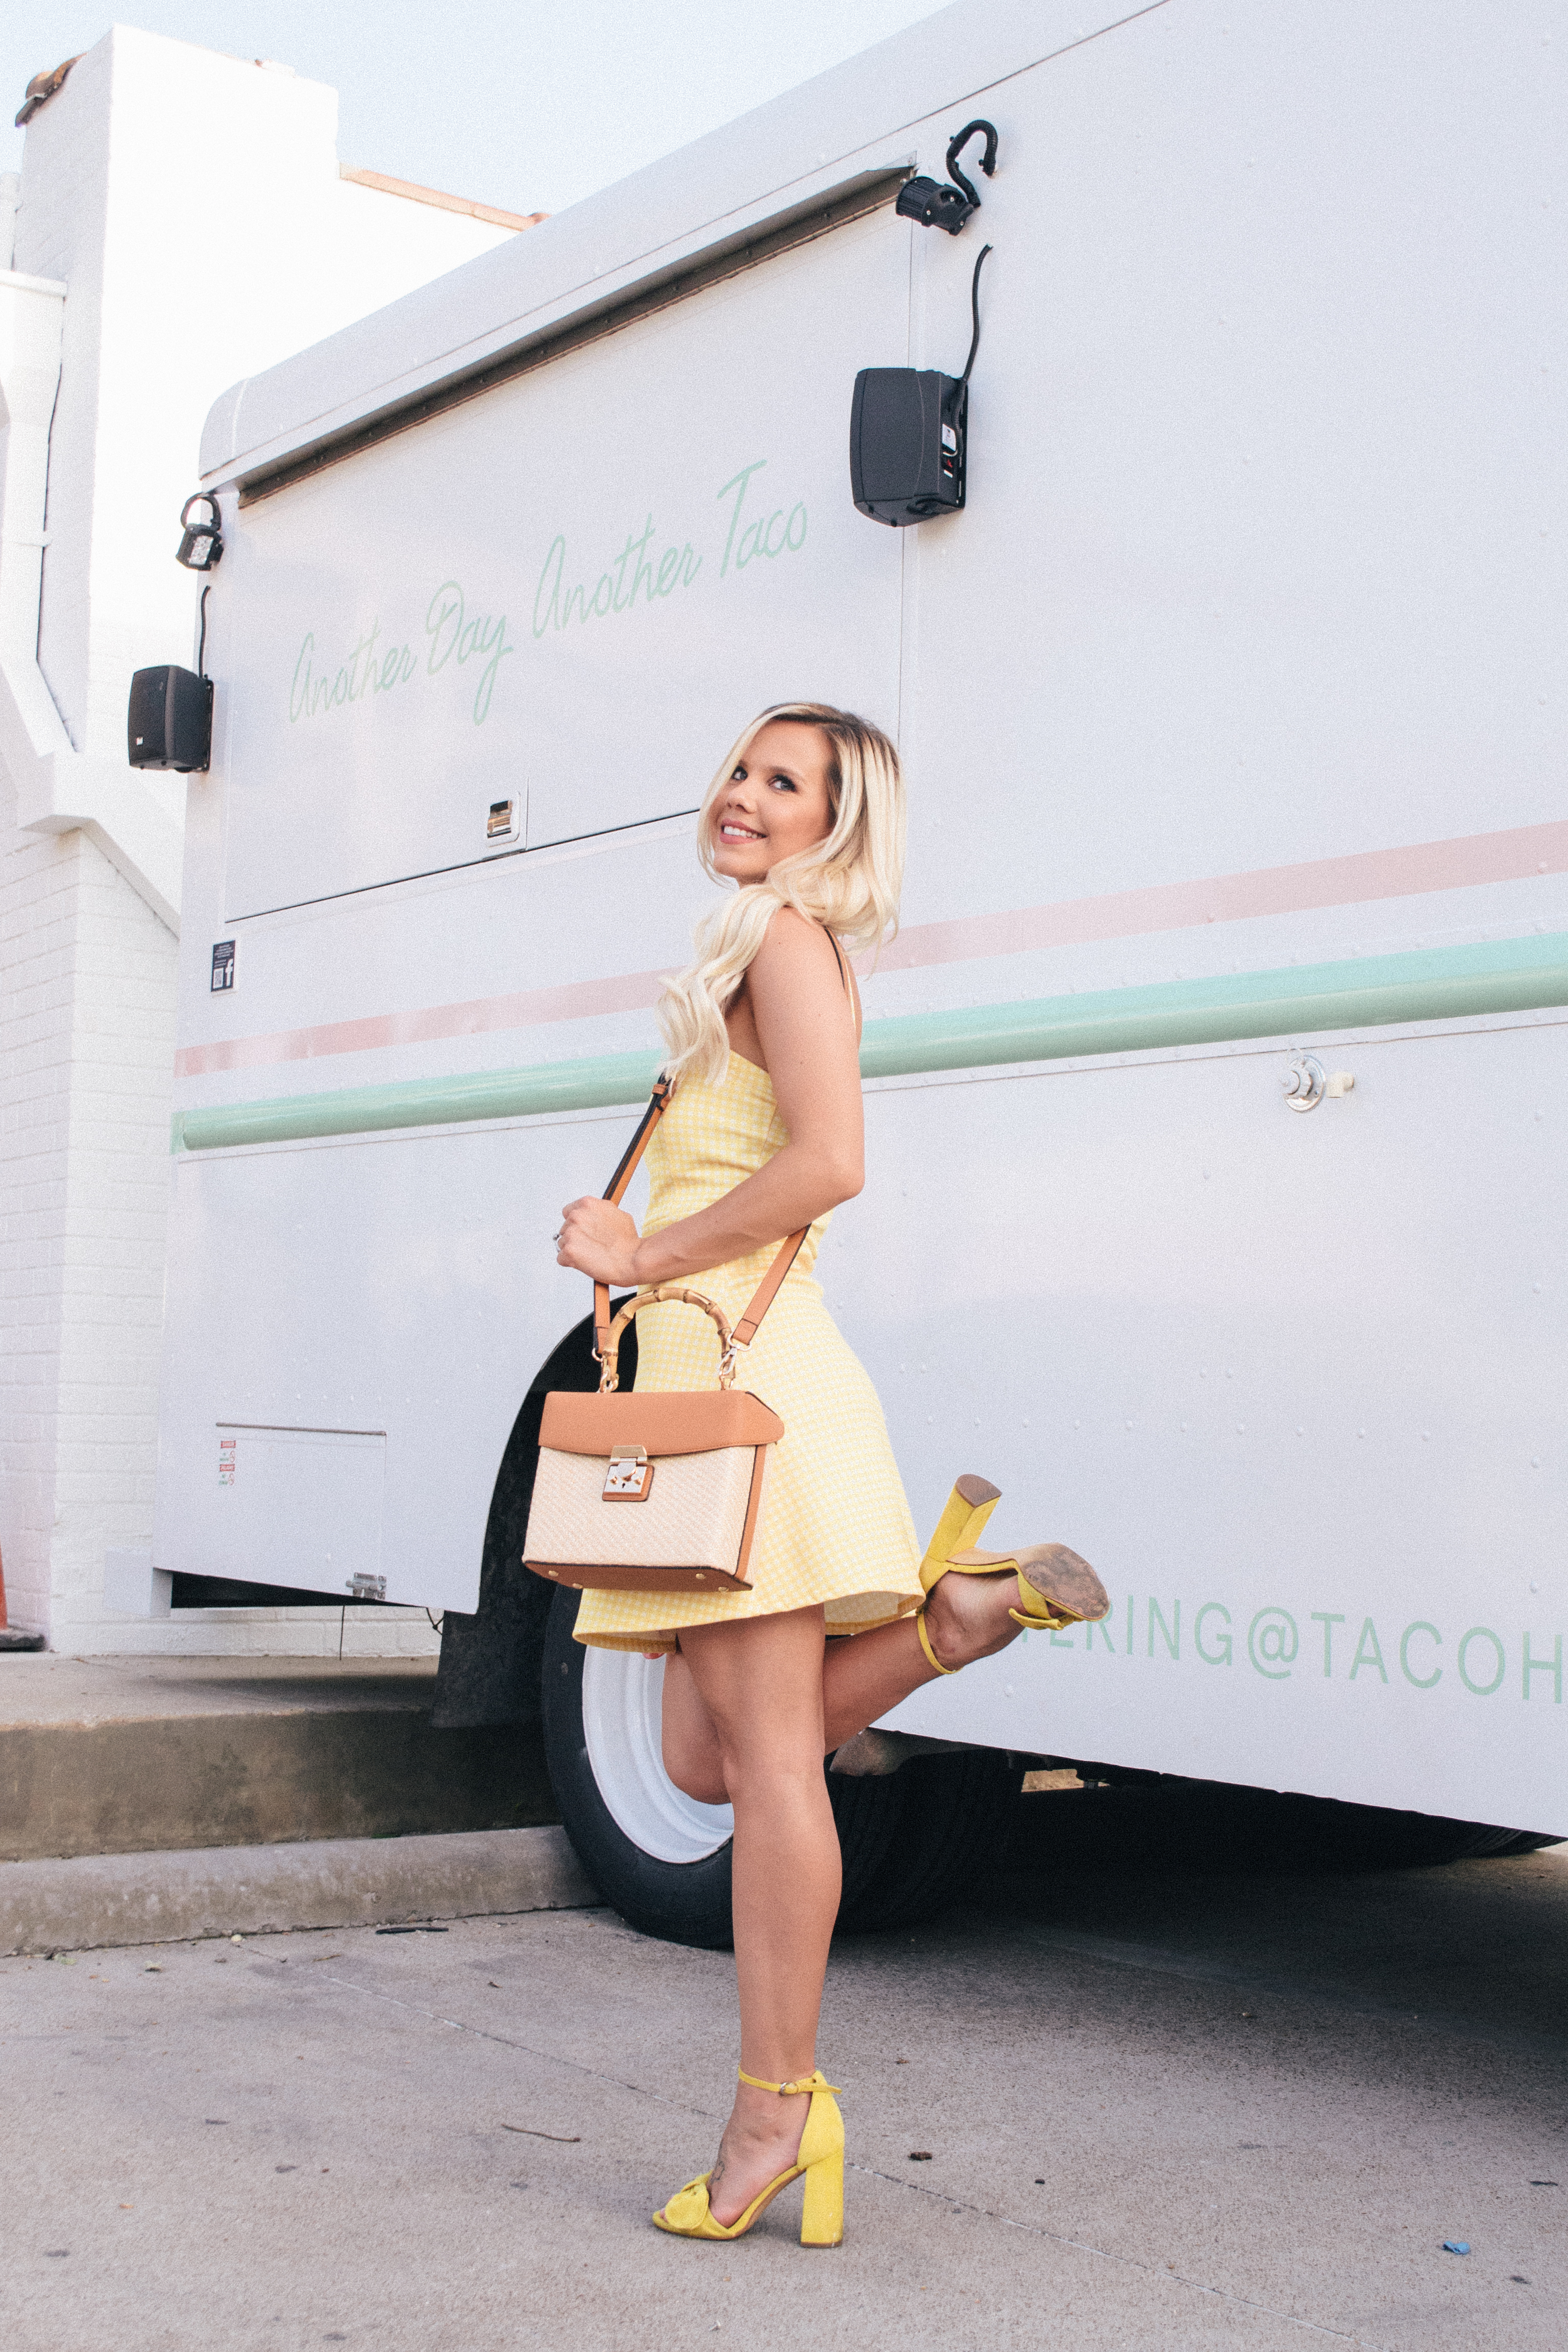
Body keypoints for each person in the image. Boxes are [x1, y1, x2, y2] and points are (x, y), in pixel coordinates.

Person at [555, 703, 1108, 2247]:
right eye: (739, 765)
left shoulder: (785, 948)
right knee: (700, 1757)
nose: (742, 792)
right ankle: (956, 1622)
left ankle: (771, 2114)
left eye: (782, 783)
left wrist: (644, 1248)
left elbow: (833, 1161)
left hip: (751, 1388)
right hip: (731, 1376)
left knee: (769, 1773)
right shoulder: (757, 946)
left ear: (834, 827)